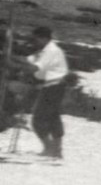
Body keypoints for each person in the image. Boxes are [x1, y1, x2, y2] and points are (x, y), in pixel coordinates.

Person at [23, 27, 69, 159]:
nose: (34, 42)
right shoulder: (45, 50)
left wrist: (11, 64)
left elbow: (34, 67)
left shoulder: (51, 51)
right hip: (53, 86)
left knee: (39, 119)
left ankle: (50, 148)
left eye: (35, 39)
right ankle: (56, 150)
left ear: (43, 38)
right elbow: (29, 60)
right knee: (53, 118)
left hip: (53, 87)